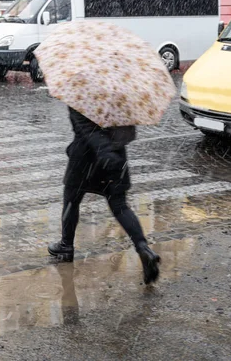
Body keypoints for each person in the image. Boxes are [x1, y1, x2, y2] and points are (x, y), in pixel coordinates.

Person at [48, 107, 161, 285]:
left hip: (86, 158)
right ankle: (143, 248)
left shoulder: (81, 92)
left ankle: (66, 246)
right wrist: (111, 148)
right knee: (120, 206)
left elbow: (86, 130)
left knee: (72, 201)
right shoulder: (118, 95)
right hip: (115, 157)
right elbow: (127, 131)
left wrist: (102, 150)